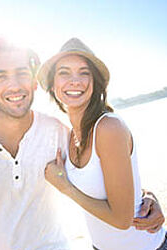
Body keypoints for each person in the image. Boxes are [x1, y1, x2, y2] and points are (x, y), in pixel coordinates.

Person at [0, 37, 164, 250]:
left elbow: (114, 188)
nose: (14, 85)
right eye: (1, 77)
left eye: (22, 74)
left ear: (35, 83)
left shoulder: (60, 132)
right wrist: (143, 197)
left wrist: (145, 198)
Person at [37, 37, 167, 250]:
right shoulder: (67, 136)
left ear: (95, 82)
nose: (75, 80)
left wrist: (65, 187)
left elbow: (122, 220)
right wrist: (146, 194)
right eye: (64, 73)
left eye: (84, 72)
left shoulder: (108, 128)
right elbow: (115, 184)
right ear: (53, 84)